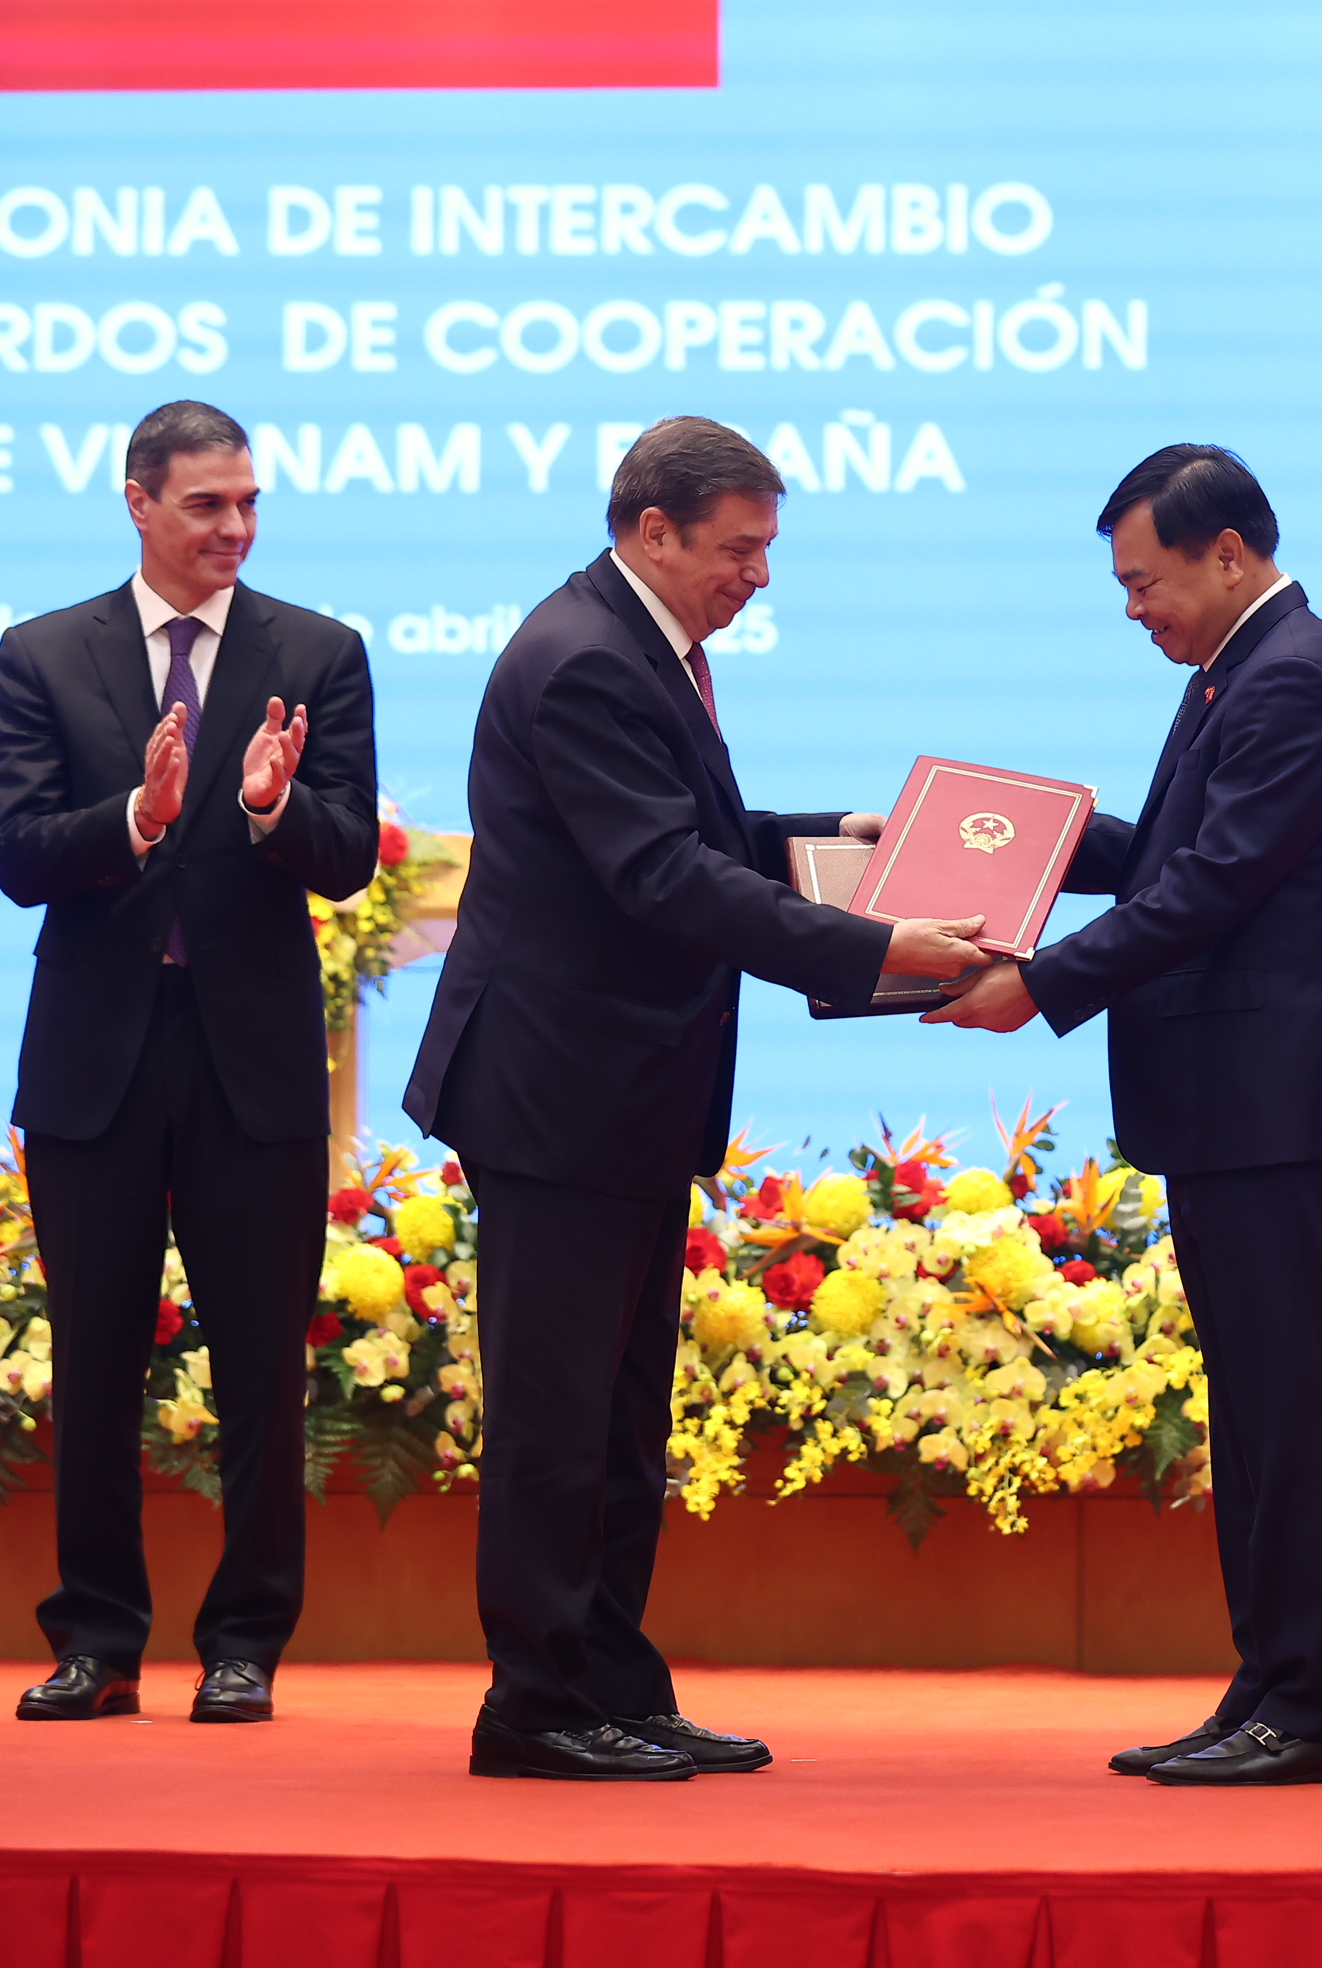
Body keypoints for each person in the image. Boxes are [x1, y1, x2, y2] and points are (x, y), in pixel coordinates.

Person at [402, 416, 990, 1782]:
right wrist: (873, 944)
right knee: (558, 1425)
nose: (758, 576)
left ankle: (610, 1683)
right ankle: (534, 1710)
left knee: (618, 1420)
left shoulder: (633, 642)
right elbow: (659, 875)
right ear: (652, 530)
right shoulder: (583, 660)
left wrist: (833, 843)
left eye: (766, 548)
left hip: (616, 1100)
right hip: (558, 1100)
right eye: (740, 548)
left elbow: (692, 836)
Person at [928, 444, 1322, 1786]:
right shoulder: (1240, 666)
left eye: (1145, 582)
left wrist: (1037, 984)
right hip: (1233, 1106)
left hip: (1273, 1105)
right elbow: (1169, 859)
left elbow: (1214, 886)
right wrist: (993, 837)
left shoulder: (1292, 675)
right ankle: (1270, 1687)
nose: (1134, 609)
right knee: (1253, 1416)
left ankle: (1313, 1714)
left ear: (1227, 553)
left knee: (1286, 1416)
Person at [0, 399, 379, 1724]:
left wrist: (269, 805)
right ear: (139, 501)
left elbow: (345, 855)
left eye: (250, 502)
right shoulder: (44, 656)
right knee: (95, 1363)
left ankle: (246, 1642)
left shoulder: (317, 653)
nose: (236, 527)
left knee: (261, 1365)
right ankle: (96, 1642)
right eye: (209, 503)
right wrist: (136, 819)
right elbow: (19, 855)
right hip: (94, 1058)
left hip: (251, 1062)